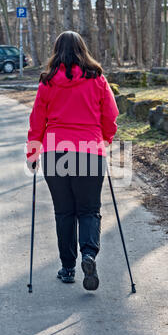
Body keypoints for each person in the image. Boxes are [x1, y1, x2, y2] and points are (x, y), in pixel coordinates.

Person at [26, 31, 119, 291]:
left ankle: (68, 268)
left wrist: (32, 153)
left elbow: (36, 121)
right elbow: (110, 115)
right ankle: (89, 255)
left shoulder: (47, 82)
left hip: (56, 152)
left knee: (64, 212)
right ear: (83, 49)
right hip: (90, 150)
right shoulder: (97, 78)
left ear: (57, 50)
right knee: (89, 210)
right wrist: (106, 138)